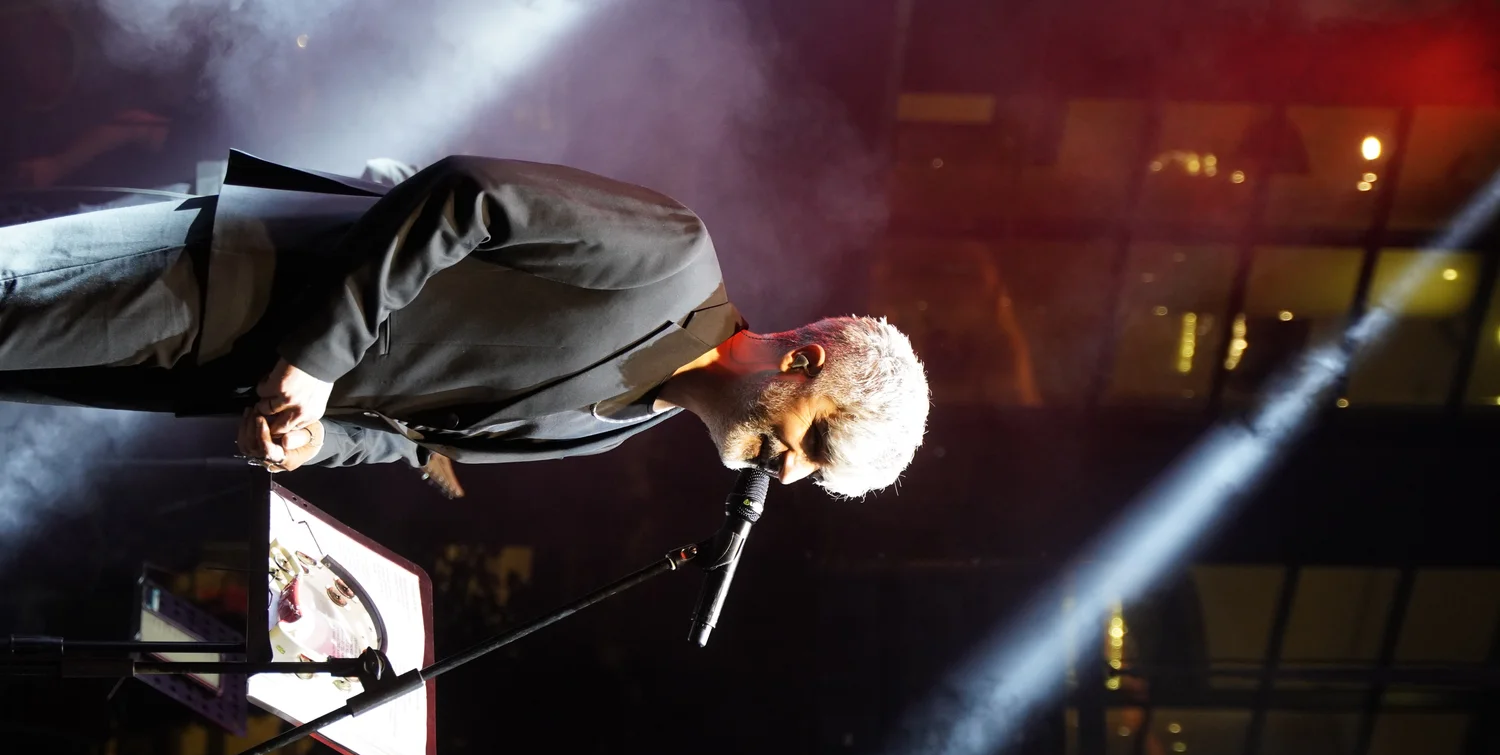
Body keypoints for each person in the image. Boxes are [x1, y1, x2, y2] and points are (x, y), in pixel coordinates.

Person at [0, 151, 929, 498]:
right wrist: (317, 361)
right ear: (802, 363)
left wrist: (316, 442)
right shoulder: (675, 258)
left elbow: (416, 441)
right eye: (814, 444)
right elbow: (467, 195)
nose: (789, 473)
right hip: (221, 277)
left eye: (813, 477)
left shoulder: (619, 429)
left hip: (211, 370)